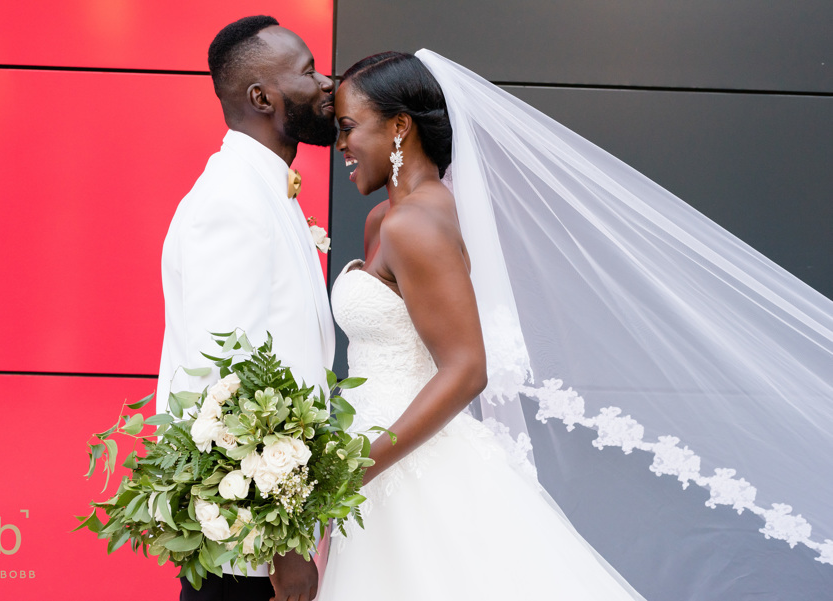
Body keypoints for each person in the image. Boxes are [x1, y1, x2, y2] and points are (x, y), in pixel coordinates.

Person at [319, 50, 833, 599]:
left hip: (397, 465)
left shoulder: (413, 224)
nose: (340, 144)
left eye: (348, 127)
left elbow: (466, 369)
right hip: (378, 460)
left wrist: (355, 470)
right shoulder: (387, 219)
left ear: (400, 126)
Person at [156, 16, 336, 601]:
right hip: (246, 553)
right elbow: (222, 380)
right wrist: (284, 550)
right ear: (262, 98)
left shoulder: (263, 188)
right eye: (309, 71)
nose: (327, 82)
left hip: (260, 540)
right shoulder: (232, 202)